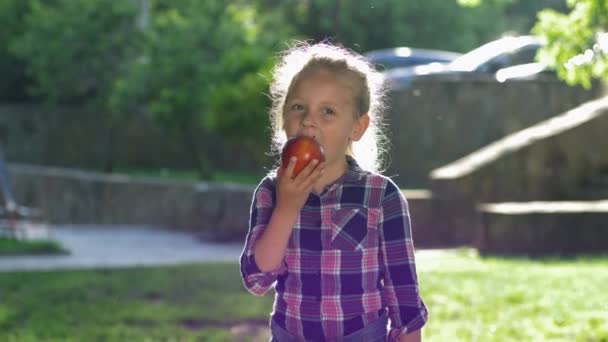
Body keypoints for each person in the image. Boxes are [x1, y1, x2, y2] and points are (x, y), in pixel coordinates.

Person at [240, 41, 428, 342]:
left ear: (357, 127)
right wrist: (287, 208)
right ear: (283, 117)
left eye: (327, 111)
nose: (308, 120)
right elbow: (257, 279)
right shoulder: (271, 192)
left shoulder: (381, 196)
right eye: (298, 107)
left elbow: (404, 296)